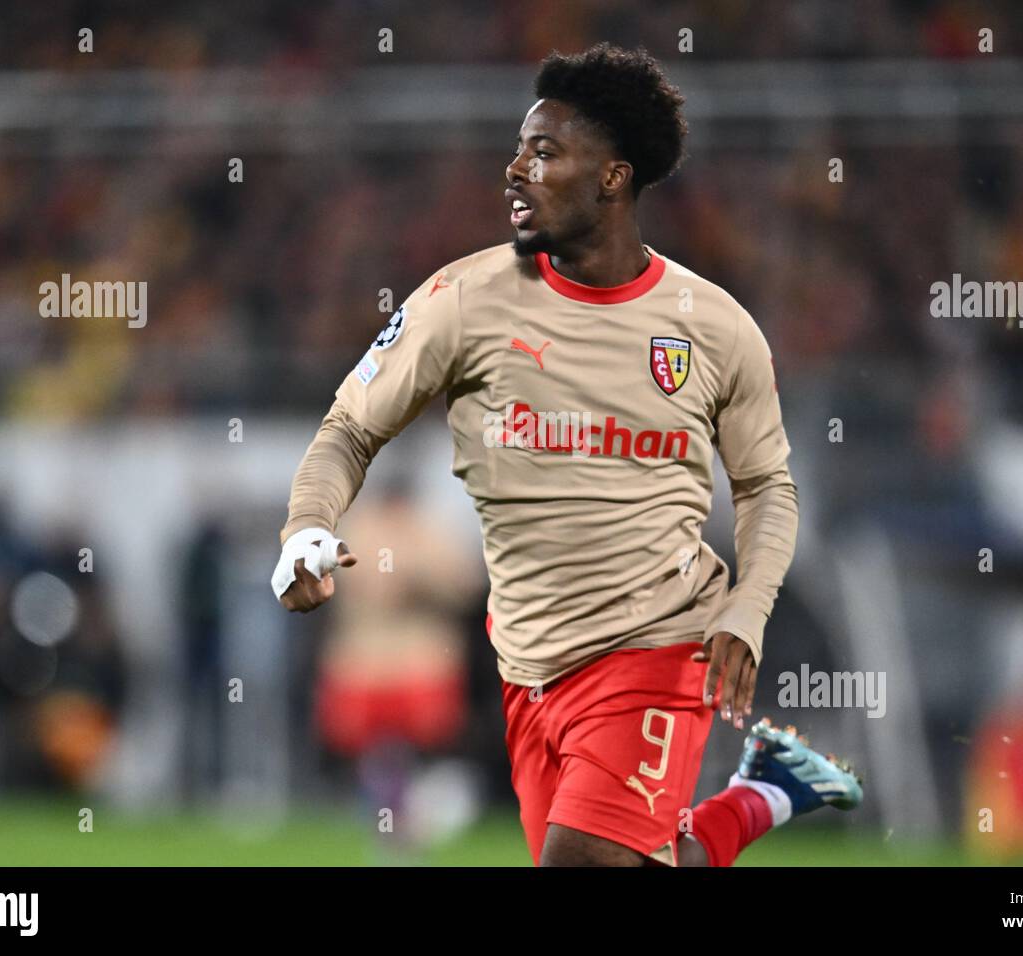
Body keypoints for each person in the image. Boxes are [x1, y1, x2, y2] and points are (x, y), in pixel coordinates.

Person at [272, 43, 861, 866]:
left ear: (613, 178)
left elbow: (767, 485)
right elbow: (349, 428)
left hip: (659, 645)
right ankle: (766, 793)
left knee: (585, 859)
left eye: (544, 153)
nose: (515, 170)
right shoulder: (463, 301)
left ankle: (762, 790)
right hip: (529, 664)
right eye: (517, 150)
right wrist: (307, 523)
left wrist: (748, 607)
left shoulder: (714, 326)